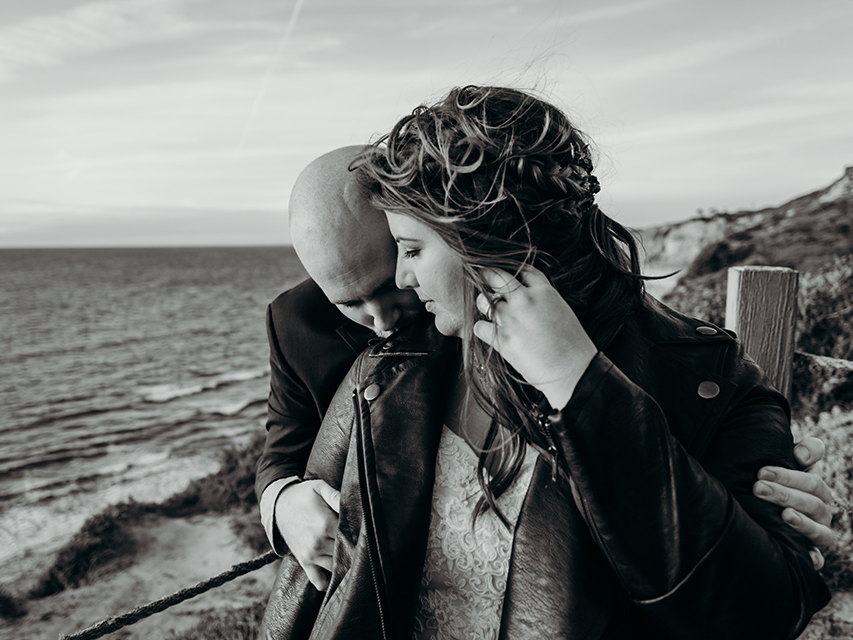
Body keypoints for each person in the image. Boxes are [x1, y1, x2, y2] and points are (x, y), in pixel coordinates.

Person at [258, 90, 832, 639]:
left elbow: (762, 609)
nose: (391, 305)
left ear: (489, 237)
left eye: (409, 251)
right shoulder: (392, 364)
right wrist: (281, 498)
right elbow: (307, 517)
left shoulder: (704, 376)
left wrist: (579, 383)